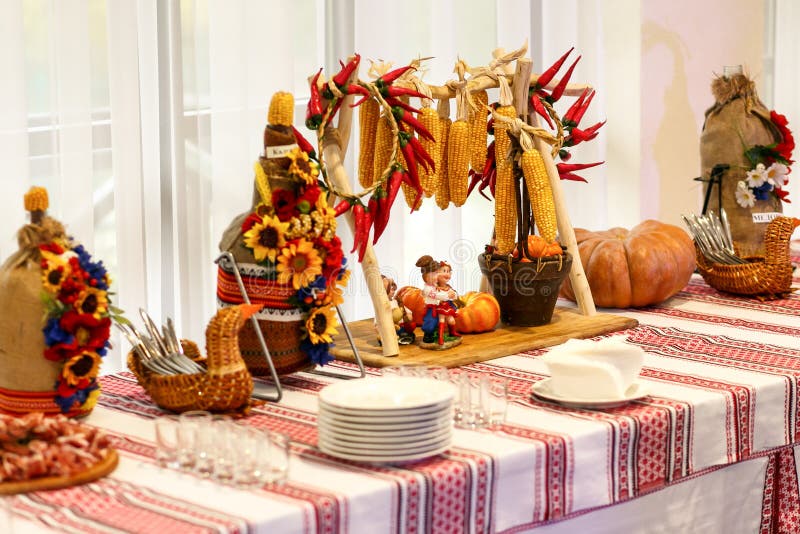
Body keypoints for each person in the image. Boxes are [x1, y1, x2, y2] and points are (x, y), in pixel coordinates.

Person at [415, 255, 459, 345]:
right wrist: (447, 295)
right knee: (430, 322)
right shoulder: (427, 289)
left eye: (436, 273)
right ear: (425, 276)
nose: (435, 277)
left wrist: (453, 295)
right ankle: (428, 335)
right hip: (431, 308)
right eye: (432, 274)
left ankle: (446, 333)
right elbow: (437, 296)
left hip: (439, 307)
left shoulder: (436, 285)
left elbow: (450, 292)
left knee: (444, 320)